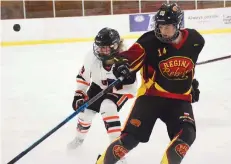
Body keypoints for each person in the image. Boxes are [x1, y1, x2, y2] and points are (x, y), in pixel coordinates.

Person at [96, 3, 204, 164]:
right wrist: (122, 65)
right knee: (129, 140)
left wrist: (190, 84)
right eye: (160, 26)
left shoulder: (196, 41)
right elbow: (128, 57)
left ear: (178, 25)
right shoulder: (149, 41)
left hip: (180, 99)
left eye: (167, 26)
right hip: (151, 97)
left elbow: (189, 64)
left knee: (187, 134)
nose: (162, 30)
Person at [68, 27, 137, 164]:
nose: (101, 51)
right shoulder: (91, 58)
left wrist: (120, 83)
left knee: (107, 107)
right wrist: (79, 96)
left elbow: (132, 86)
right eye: (100, 47)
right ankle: (79, 139)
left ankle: (118, 152)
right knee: (85, 113)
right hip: (99, 86)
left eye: (106, 48)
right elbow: (83, 78)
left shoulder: (125, 59)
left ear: (115, 46)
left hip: (120, 90)